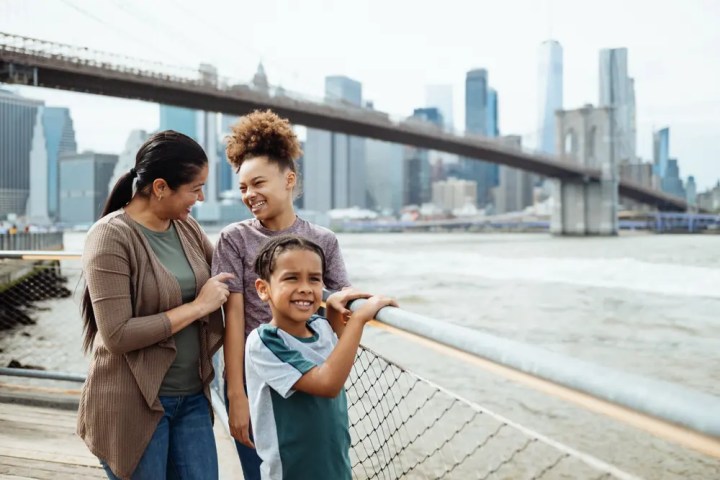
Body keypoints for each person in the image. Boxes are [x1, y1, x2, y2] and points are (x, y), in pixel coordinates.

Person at [78, 130, 233, 480]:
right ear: (160, 187)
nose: (201, 197)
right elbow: (117, 335)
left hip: (192, 398)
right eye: (195, 188)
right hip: (133, 404)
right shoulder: (110, 236)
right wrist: (196, 308)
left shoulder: (187, 228)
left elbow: (231, 274)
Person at [212, 109, 350, 479]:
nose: (249, 195)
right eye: (242, 188)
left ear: (289, 179)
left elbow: (338, 301)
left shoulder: (324, 240)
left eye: (258, 183)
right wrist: (236, 395)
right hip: (257, 381)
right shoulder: (233, 239)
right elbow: (235, 319)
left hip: (310, 375)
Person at [246, 234, 396, 479]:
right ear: (264, 289)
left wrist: (335, 318)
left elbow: (338, 361)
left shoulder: (321, 328)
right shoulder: (265, 342)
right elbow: (327, 384)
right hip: (291, 473)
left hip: (335, 468)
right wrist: (358, 319)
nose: (305, 288)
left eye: (314, 279)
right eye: (291, 278)